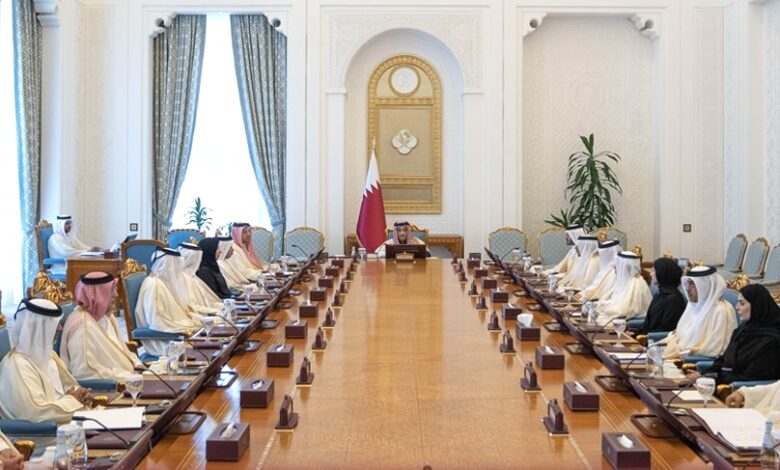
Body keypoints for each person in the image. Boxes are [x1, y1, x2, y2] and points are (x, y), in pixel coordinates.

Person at [0, 299, 90, 423]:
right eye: (55, 324)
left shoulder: (49, 355)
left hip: (66, 422)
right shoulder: (17, 366)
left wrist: (82, 395)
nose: (60, 328)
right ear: (39, 328)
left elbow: (69, 387)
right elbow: (35, 413)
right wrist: (73, 401)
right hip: (44, 433)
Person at [687, 284, 780, 386]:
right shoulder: (743, 329)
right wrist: (702, 374)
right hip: (720, 384)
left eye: (742, 303)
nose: (737, 307)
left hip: (737, 391)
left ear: (757, 306)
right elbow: (723, 360)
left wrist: (709, 380)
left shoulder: (770, 341)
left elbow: (750, 379)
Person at [60, 272, 142, 381]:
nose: (116, 295)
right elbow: (85, 371)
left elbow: (122, 350)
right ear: (96, 295)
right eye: (111, 291)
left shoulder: (106, 316)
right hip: (108, 386)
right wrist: (128, 376)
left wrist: (137, 365)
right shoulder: (82, 327)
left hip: (127, 377)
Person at [660, 266, 737, 359]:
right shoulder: (693, 305)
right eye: (687, 283)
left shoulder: (722, 310)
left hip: (693, 363)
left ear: (706, 285)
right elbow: (680, 336)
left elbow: (715, 350)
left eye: (692, 284)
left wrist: (675, 354)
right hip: (680, 357)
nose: (687, 289)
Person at [135, 248, 202, 356]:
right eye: (176, 267)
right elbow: (157, 321)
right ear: (166, 266)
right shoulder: (154, 286)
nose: (178, 272)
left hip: (173, 333)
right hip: (162, 340)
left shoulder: (162, 283)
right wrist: (184, 327)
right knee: (203, 348)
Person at [595, 251, 652, 325]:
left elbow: (625, 310)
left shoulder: (635, 284)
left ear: (624, 267)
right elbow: (617, 301)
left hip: (627, 322)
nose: (615, 268)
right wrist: (602, 304)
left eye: (617, 265)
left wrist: (604, 307)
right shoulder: (626, 280)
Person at [633, 257, 686, 334]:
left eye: (653, 271)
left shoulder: (673, 299)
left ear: (663, 273)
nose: (650, 274)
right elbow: (648, 324)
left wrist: (642, 336)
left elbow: (665, 330)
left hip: (656, 339)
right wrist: (633, 332)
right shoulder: (659, 294)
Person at [179, 243, 222, 308]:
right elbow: (192, 307)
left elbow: (206, 302)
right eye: (197, 258)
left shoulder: (194, 278)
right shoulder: (184, 280)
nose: (200, 260)